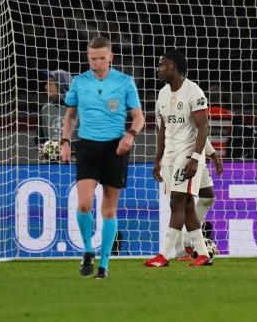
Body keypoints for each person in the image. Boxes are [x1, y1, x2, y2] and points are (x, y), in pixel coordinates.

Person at [60, 36, 145, 279]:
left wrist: (130, 135)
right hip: (87, 147)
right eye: (92, 59)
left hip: (115, 149)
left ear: (111, 57)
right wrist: (65, 141)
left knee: (109, 209)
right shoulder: (79, 82)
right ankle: (88, 251)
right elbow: (71, 115)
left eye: (101, 58)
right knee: (84, 204)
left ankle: (104, 265)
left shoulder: (125, 82)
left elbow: (139, 117)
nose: (96, 63)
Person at [144, 49, 212, 267]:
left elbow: (203, 128)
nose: (159, 69)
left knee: (177, 201)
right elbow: (162, 130)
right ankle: (202, 253)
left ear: (174, 66)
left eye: (162, 65)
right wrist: (158, 159)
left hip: (188, 153)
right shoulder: (163, 94)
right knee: (188, 204)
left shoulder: (193, 91)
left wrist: (196, 158)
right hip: (170, 156)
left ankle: (164, 255)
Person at [173, 137, 223, 260]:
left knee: (207, 197)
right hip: (180, 157)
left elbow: (201, 134)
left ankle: (187, 240)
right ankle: (181, 251)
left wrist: (213, 157)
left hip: (198, 160)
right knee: (181, 202)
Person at [37, 69, 72, 159]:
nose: (46, 87)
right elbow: (39, 139)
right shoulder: (45, 109)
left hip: (76, 163)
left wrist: (68, 148)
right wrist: (44, 149)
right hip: (51, 164)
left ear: (61, 85)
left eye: (50, 84)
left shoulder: (79, 109)